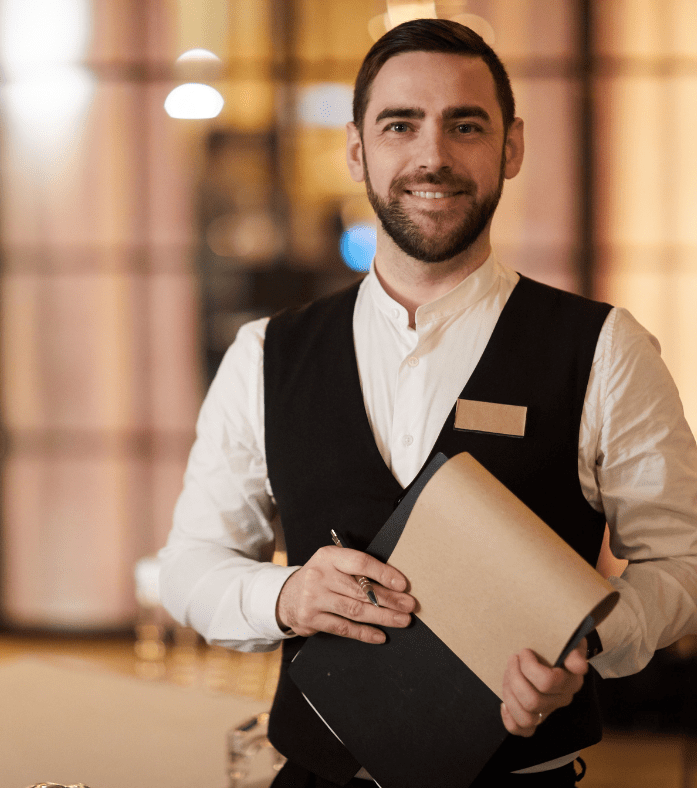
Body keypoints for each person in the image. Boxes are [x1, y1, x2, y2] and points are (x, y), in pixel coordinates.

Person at [158, 18, 697, 788]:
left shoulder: (606, 348)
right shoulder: (265, 355)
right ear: (357, 150)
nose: (432, 156)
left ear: (511, 147)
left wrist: (587, 643)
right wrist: (287, 594)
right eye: (400, 125)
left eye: (465, 125)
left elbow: (684, 561)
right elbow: (188, 568)